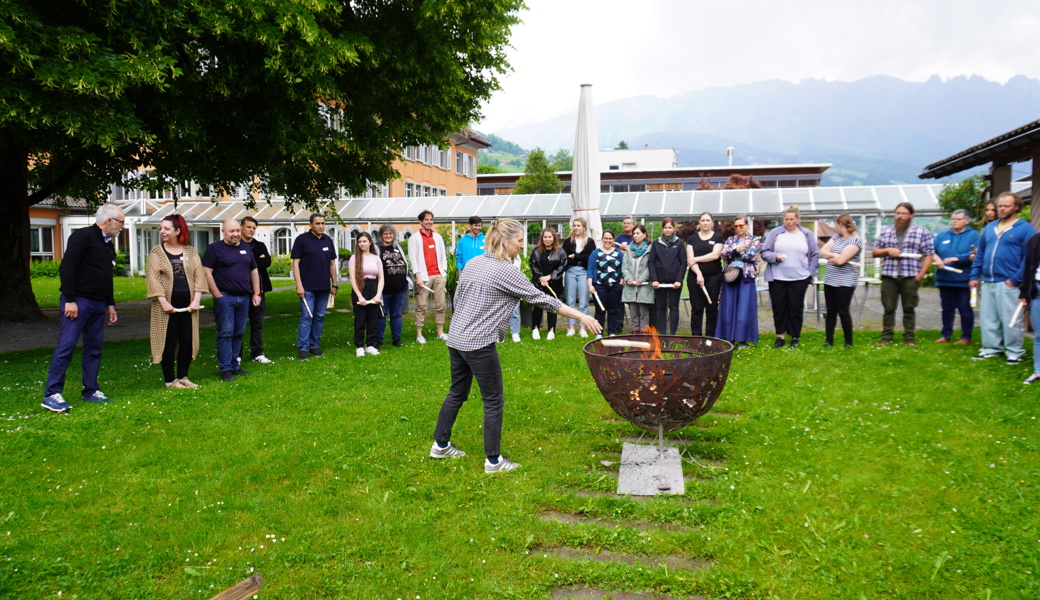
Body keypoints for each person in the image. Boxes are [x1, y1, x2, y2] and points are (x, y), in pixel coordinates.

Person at [429, 219, 602, 473]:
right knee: (493, 400)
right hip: (478, 342)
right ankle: (493, 461)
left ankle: (440, 445)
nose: (522, 246)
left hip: (456, 339)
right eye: (520, 241)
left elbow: (460, 297)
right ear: (505, 240)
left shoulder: (475, 262)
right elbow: (542, 300)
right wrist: (582, 316)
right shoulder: (505, 270)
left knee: (457, 392)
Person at [41, 203, 125, 412]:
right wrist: (70, 300)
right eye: (121, 222)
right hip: (79, 301)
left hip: (98, 304)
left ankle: (90, 390)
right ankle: (52, 394)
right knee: (67, 345)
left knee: (94, 348)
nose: (122, 227)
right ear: (109, 221)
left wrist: (110, 304)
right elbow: (67, 267)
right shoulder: (83, 237)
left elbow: (106, 277)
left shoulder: (107, 244)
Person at [970, 192, 1036, 363]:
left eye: (1006, 206)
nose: (1001, 209)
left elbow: (1030, 257)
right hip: (988, 280)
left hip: (1009, 283)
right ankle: (991, 348)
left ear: (1016, 207)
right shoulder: (990, 228)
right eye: (1000, 205)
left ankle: (1014, 352)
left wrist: (1015, 279)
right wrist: (975, 275)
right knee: (988, 318)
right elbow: (981, 253)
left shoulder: (1025, 229)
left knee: (1011, 320)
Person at [146, 214, 206, 389]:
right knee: (169, 341)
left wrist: (196, 300)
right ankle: (169, 380)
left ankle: (183, 377)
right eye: (161, 228)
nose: (162, 231)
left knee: (187, 341)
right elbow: (153, 278)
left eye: (167, 228)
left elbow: (199, 277)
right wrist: (164, 302)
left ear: (178, 231)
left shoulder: (190, 251)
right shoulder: (157, 252)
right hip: (166, 308)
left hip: (189, 307)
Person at [202, 219, 262, 382]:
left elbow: (254, 271)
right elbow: (207, 272)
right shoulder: (214, 249)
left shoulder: (245, 248)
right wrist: (216, 294)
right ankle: (225, 369)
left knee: (238, 332)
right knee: (226, 333)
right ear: (223, 232)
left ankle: (235, 365)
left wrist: (256, 293)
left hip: (244, 297)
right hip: (225, 297)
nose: (235, 234)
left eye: (237, 231)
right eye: (231, 231)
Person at [872, 202, 935, 346]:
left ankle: (909, 337)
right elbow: (875, 252)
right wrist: (888, 250)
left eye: (903, 213)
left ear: (911, 215)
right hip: (889, 275)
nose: (900, 216)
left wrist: (920, 275)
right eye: (897, 213)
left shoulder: (921, 231)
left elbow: (929, 254)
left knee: (909, 308)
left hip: (910, 275)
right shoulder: (886, 231)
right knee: (888, 308)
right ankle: (886, 337)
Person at [761, 205, 819, 348]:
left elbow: (815, 253)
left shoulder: (806, 234)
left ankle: (794, 337)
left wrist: (809, 272)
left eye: (792, 219)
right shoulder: (775, 233)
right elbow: (764, 252)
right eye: (786, 219)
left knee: (796, 308)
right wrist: (776, 256)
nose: (789, 222)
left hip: (799, 278)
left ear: (797, 219)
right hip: (777, 278)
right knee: (779, 308)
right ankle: (780, 336)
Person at [291, 213, 339, 360]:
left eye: (323, 223)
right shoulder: (302, 240)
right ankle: (303, 348)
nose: (321, 226)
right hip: (307, 288)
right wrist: (299, 285)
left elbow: (332, 264)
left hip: (324, 288)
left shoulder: (327, 240)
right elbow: (295, 264)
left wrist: (335, 284)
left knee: (319, 317)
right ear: (311, 225)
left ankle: (314, 346)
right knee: (307, 317)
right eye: (318, 223)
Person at [932, 209, 979, 345]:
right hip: (945, 279)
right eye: (953, 219)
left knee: (964, 308)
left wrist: (957, 258)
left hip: (963, 280)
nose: (955, 221)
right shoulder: (942, 236)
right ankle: (946, 335)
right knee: (947, 308)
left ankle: (966, 337)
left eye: (958, 219)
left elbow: (975, 254)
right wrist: (937, 259)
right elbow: (930, 250)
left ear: (967, 221)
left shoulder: (974, 235)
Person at [715, 216, 761, 346]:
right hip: (731, 278)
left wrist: (733, 253)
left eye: (741, 225)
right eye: (736, 226)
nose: (739, 228)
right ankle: (730, 338)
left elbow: (751, 255)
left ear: (747, 225)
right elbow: (723, 254)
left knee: (744, 309)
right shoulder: (730, 240)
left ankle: (742, 340)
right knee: (729, 307)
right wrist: (737, 250)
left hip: (746, 277)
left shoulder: (754, 240)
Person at [819, 214, 863, 348]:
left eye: (835, 225)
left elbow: (840, 261)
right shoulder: (836, 237)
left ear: (840, 225)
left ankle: (848, 342)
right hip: (830, 279)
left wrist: (833, 257)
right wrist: (836, 255)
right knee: (830, 311)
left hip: (846, 281)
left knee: (843, 310)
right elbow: (822, 251)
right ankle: (829, 341)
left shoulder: (856, 240)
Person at [409, 210, 448, 343]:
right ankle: (419, 333)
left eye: (431, 219)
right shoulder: (414, 238)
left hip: (438, 275)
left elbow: (443, 255)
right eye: (426, 219)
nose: (429, 222)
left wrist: (444, 272)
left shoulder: (437, 237)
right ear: (421, 222)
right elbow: (413, 259)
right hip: (424, 277)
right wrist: (417, 276)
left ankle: (440, 332)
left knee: (441, 305)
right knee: (421, 306)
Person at [240, 216, 273, 364]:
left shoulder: (259, 245)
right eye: (249, 227)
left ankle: (257, 353)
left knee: (257, 323)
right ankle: (237, 354)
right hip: (240, 289)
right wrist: (255, 261)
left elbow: (266, 261)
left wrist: (250, 261)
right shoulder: (236, 245)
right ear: (242, 227)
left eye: (254, 228)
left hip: (259, 289)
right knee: (239, 323)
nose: (251, 230)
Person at [686, 212, 724, 336]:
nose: (705, 223)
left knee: (711, 308)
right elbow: (689, 260)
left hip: (714, 277)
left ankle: (710, 338)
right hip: (694, 277)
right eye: (703, 220)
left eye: (708, 220)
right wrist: (698, 274)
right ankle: (696, 338)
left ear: (712, 222)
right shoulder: (692, 239)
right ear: (699, 222)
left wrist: (696, 259)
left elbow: (715, 255)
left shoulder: (718, 238)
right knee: (697, 308)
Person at [349, 231, 384, 357]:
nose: (362, 244)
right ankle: (359, 346)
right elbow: (352, 278)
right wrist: (359, 295)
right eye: (359, 242)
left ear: (370, 242)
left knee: (373, 319)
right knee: (360, 319)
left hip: (373, 287)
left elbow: (381, 278)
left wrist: (378, 295)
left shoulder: (376, 258)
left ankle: (370, 345)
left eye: (364, 241)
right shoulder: (354, 258)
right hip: (360, 287)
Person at [529, 227, 567, 340]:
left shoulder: (560, 252)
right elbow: (533, 264)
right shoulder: (536, 251)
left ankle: (551, 330)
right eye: (545, 237)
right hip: (539, 283)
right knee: (538, 306)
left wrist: (550, 277)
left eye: (549, 237)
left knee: (552, 306)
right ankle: (535, 328)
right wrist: (541, 278)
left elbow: (562, 266)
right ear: (542, 238)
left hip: (554, 284)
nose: (547, 239)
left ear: (554, 238)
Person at [648, 218, 686, 335]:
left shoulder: (679, 244)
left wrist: (679, 280)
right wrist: (654, 279)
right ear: (662, 229)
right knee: (661, 308)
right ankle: (663, 334)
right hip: (659, 283)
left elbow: (683, 262)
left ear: (673, 228)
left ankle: (672, 334)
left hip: (674, 283)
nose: (667, 230)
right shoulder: (656, 243)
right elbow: (651, 262)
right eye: (665, 227)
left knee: (674, 307)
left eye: (670, 227)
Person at [374, 224, 408, 348]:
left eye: (390, 233)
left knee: (396, 314)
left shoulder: (397, 247)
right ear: (381, 236)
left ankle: (396, 339)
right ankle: (379, 341)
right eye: (385, 234)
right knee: (381, 315)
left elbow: (405, 264)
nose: (388, 236)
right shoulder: (377, 249)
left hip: (399, 289)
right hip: (383, 290)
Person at [587, 230, 625, 336]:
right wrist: (590, 285)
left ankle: (612, 332)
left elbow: (624, 268)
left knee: (613, 310)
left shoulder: (619, 253)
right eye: (606, 238)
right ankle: (599, 333)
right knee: (600, 310)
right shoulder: (595, 253)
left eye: (610, 239)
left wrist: (621, 282)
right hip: (599, 286)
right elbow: (590, 270)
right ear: (602, 239)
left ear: (613, 240)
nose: (608, 241)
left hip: (615, 286)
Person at [563, 217, 594, 337]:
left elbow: (590, 258)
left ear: (584, 228)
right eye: (574, 225)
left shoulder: (590, 242)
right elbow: (565, 258)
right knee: (570, 300)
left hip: (584, 272)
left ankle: (582, 328)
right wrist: (580, 258)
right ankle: (571, 328)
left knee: (584, 301)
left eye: (578, 225)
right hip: (570, 272)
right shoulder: (568, 241)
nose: (576, 228)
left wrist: (575, 256)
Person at [621, 224, 655, 333]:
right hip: (630, 286)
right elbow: (624, 266)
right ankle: (635, 333)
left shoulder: (650, 249)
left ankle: (644, 334)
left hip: (644, 286)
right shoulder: (628, 250)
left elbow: (650, 266)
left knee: (643, 313)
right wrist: (628, 278)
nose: (635, 236)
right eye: (634, 233)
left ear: (644, 235)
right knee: (633, 312)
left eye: (638, 233)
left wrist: (641, 279)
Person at [1018, 229, 1040, 384]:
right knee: (1039, 336)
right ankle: (1038, 371)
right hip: (1037, 291)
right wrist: (1024, 293)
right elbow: (1028, 269)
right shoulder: (1035, 241)